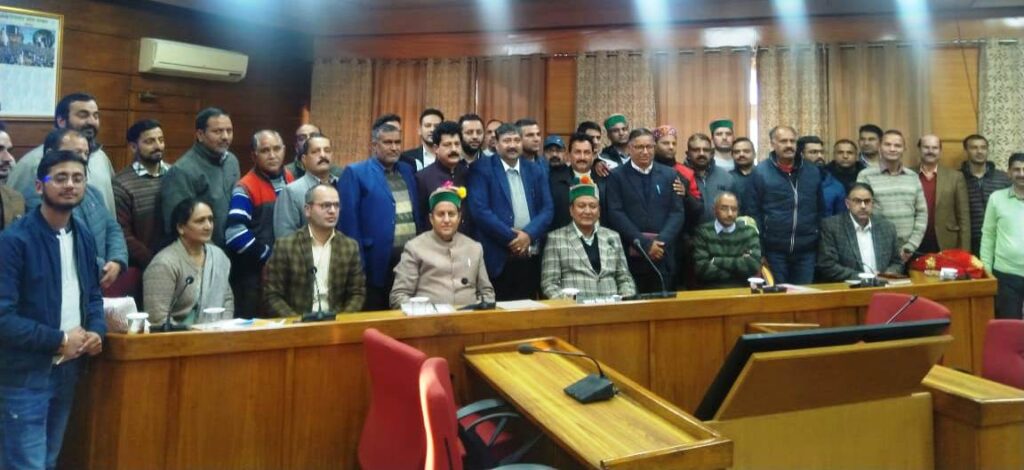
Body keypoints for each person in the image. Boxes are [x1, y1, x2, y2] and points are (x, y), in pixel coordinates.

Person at [0, 150, 106, 470]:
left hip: (69, 369)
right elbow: (3, 318)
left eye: (77, 178)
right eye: (60, 178)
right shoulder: (14, 241)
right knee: (25, 464)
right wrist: (59, 340)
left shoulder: (83, 235)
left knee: (49, 460)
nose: (70, 185)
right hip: (24, 373)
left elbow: (93, 296)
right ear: (39, 186)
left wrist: (97, 331)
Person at [338, 122, 422, 310]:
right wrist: (357, 264)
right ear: (374, 145)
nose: (394, 147)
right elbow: (349, 224)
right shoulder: (355, 173)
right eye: (388, 142)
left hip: (408, 262)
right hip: (374, 263)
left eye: (397, 142)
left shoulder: (407, 170)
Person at [468, 123, 553, 300]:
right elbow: (480, 211)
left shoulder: (535, 170)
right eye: (507, 141)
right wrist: (514, 239)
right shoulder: (481, 168)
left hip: (530, 255)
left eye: (516, 140)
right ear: (496, 144)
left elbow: (547, 209)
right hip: (497, 255)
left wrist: (528, 235)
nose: (512, 145)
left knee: (529, 308)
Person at [7, 92, 117, 216]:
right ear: (61, 121)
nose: (92, 122)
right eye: (83, 115)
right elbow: (14, 210)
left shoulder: (100, 157)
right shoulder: (32, 163)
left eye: (95, 116)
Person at [47, 129, 128, 292]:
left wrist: (116, 260)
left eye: (86, 153)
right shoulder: (43, 195)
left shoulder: (93, 192)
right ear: (51, 154)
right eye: (77, 153)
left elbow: (112, 228)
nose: (84, 159)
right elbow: (65, 247)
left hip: (96, 284)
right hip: (62, 285)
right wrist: (102, 267)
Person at [265, 184, 365, 316]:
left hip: (337, 322)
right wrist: (298, 322)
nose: (332, 211)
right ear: (308, 210)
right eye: (325, 205)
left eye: (336, 205)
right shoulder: (286, 246)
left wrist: (341, 322)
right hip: (297, 322)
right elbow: (272, 295)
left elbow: (357, 293)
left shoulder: (349, 247)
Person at [606, 128, 685, 293]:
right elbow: (615, 213)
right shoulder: (617, 176)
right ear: (629, 148)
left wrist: (660, 242)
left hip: (663, 254)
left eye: (649, 147)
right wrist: (644, 244)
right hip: (631, 254)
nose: (645, 151)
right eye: (639, 147)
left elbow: (677, 213)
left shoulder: (670, 174)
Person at [225, 130, 294, 318]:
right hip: (253, 275)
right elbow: (234, 234)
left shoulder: (291, 179)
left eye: (277, 149)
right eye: (265, 150)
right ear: (254, 156)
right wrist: (267, 255)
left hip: (286, 272)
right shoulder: (245, 187)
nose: (272, 155)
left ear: (284, 150)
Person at [391, 186, 494, 307]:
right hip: (428, 317)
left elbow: (487, 293)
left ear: (459, 217)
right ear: (431, 219)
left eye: (451, 214)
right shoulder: (415, 248)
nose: (446, 220)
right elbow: (398, 296)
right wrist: (423, 312)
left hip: (469, 316)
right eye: (440, 214)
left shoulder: (474, 248)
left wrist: (481, 310)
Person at [746, 126, 822, 285]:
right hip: (774, 251)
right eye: (783, 141)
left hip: (806, 250)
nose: (789, 145)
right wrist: (760, 250)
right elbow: (754, 213)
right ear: (772, 144)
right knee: (778, 294)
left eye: (792, 141)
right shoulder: (760, 172)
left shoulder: (812, 171)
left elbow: (820, 209)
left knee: (804, 295)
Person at [143, 198, 234, 326]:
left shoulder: (218, 257)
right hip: (178, 336)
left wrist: (223, 329)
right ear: (181, 227)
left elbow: (227, 300)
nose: (208, 226)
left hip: (218, 332)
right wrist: (193, 334)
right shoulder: (164, 264)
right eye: (200, 221)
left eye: (210, 220)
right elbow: (157, 317)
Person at [541, 177, 635, 299]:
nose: (587, 211)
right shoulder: (556, 239)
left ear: (599, 211)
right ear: (571, 210)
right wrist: (570, 304)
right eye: (581, 206)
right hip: (575, 307)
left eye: (593, 206)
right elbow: (549, 284)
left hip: (612, 307)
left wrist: (624, 300)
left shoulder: (612, 237)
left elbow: (625, 279)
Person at [160, 107, 241, 247]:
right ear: (200, 135)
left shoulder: (231, 161)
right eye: (218, 131)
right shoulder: (182, 171)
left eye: (229, 131)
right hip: (202, 251)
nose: (225, 137)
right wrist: (212, 254)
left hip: (235, 246)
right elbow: (177, 224)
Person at [856, 130, 927, 262]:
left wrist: (911, 246)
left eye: (897, 145)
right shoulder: (865, 175)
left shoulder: (912, 176)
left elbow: (922, 213)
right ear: (879, 147)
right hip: (876, 247)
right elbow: (860, 210)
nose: (892, 149)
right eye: (887, 144)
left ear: (904, 149)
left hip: (909, 249)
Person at [817, 183, 907, 282]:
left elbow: (897, 262)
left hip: (882, 285)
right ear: (847, 204)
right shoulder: (832, 226)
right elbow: (827, 265)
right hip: (847, 287)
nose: (863, 206)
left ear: (872, 203)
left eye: (867, 201)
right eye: (857, 201)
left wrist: (886, 275)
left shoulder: (887, 227)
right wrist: (864, 277)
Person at [113, 119, 168, 271]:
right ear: (133, 147)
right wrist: (153, 262)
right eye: (150, 141)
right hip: (143, 266)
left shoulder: (175, 174)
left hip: (177, 261)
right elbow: (123, 233)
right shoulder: (121, 184)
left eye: (161, 140)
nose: (158, 146)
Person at [980, 153, 1024, 319]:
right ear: (1009, 173)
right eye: (1017, 169)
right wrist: (986, 270)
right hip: (1006, 274)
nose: (1021, 173)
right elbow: (988, 235)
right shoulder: (996, 198)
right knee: (1009, 324)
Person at [274, 134, 337, 238]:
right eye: (315, 151)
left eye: (327, 151)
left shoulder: (343, 185)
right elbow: (284, 238)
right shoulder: (291, 192)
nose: (323, 155)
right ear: (304, 159)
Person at [693, 192, 761, 288]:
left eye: (734, 209)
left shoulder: (749, 232)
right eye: (724, 208)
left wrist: (716, 261)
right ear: (714, 210)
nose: (730, 214)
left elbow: (753, 266)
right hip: (711, 290)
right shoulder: (703, 232)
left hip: (742, 290)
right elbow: (702, 269)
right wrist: (737, 273)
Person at [916, 135, 970, 253]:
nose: (930, 151)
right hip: (914, 241)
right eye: (926, 147)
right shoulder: (908, 174)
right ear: (919, 149)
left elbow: (963, 217)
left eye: (935, 148)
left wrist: (964, 251)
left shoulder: (955, 177)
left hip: (946, 241)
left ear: (940, 151)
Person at [960, 134, 1011, 256]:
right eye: (974, 147)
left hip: (1000, 239)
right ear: (966, 151)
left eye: (983, 147)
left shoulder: (1003, 178)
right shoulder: (957, 178)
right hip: (970, 241)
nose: (979, 151)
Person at [550, 133, 607, 229]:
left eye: (587, 152)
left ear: (593, 155)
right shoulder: (555, 180)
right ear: (569, 155)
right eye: (577, 152)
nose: (582, 157)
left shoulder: (605, 178)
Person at [416, 121, 468, 217]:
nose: (454, 149)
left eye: (457, 144)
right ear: (436, 148)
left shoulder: (469, 174)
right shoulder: (422, 178)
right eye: (447, 145)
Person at [684, 133, 734, 224]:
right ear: (688, 154)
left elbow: (735, 209)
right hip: (689, 231)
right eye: (696, 150)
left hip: (719, 231)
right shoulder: (679, 176)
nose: (701, 153)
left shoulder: (726, 178)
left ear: (712, 153)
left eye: (706, 150)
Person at [797, 135, 846, 217]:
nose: (820, 156)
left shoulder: (836, 186)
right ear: (801, 155)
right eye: (813, 152)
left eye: (822, 152)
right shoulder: (791, 182)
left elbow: (841, 219)